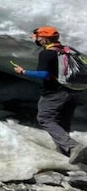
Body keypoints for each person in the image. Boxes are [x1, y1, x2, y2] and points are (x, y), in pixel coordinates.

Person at [12, 26, 87, 164]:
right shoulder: (69, 50)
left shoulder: (47, 54)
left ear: (45, 38)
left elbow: (44, 74)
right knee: (63, 120)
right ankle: (66, 151)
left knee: (44, 118)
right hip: (75, 90)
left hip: (55, 92)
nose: (36, 39)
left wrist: (23, 72)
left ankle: (73, 146)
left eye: (38, 37)